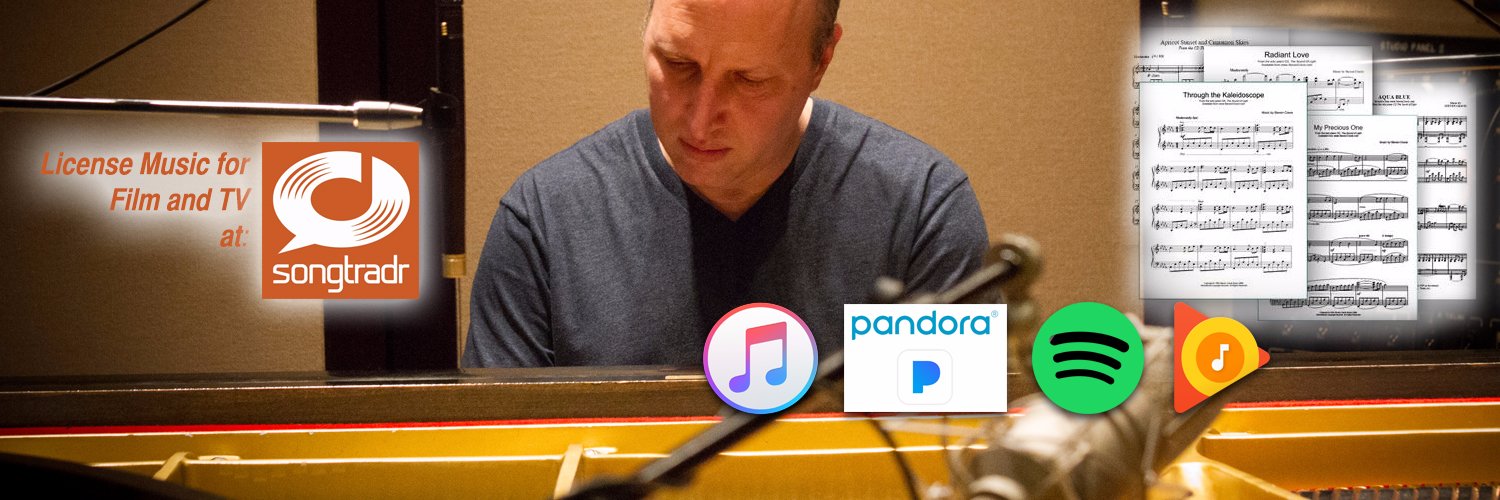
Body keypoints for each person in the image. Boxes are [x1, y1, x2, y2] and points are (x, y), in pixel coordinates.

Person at [464, 0, 988, 367]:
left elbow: (942, 450)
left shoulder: (920, 213)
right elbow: (504, 460)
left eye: (749, 80)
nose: (699, 121)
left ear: (821, 60)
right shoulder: (543, 220)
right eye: (677, 64)